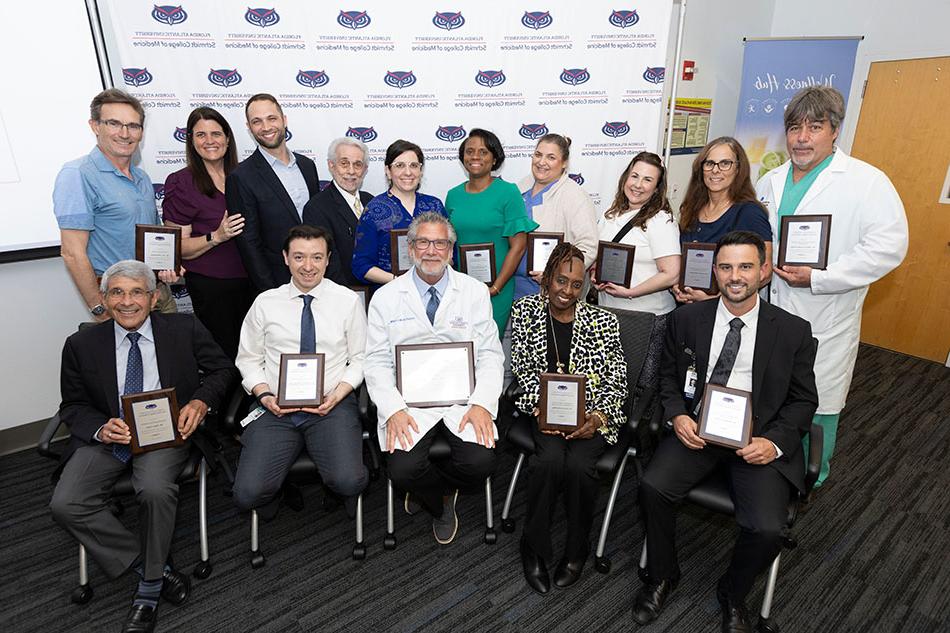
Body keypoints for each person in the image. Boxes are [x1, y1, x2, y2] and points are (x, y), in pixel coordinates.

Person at [632, 231, 818, 633]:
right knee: (652, 487)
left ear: (764, 272)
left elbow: (804, 401)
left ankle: (733, 594)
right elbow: (667, 377)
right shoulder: (686, 319)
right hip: (697, 430)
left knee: (768, 528)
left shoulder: (793, 331)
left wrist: (773, 442)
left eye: (746, 266)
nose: (736, 276)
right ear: (714, 272)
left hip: (756, 440)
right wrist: (678, 416)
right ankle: (663, 574)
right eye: (727, 267)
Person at [49, 260, 236, 633]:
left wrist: (200, 403)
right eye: (117, 292)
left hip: (165, 433)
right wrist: (101, 428)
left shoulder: (184, 329)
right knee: (65, 503)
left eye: (137, 292)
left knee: (152, 488)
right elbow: (71, 405)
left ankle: (148, 588)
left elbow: (222, 370)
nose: (127, 302)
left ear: (153, 298)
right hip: (109, 435)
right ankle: (150, 566)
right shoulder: (82, 343)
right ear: (104, 298)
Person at [756, 85, 908, 486]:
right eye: (794, 128)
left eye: (815, 127)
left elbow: (888, 248)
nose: (802, 138)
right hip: (772, 309)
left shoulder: (866, 182)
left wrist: (821, 278)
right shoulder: (770, 180)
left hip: (825, 315)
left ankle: (808, 479)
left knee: (817, 401)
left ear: (835, 130)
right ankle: (766, 467)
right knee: (768, 393)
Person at [364, 212, 504, 544]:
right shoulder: (386, 296)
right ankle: (441, 501)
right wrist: (394, 409)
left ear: (451, 250)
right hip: (409, 401)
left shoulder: (473, 292)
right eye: (423, 242)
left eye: (440, 243)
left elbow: (490, 355)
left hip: (462, 398)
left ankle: (433, 493)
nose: (431, 250)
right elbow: (376, 362)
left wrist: (483, 404)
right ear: (410, 248)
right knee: (402, 470)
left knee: (481, 462)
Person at [510, 242, 627, 594]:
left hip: (589, 415)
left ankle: (576, 549)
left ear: (585, 285)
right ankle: (533, 546)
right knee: (546, 462)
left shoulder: (603, 320)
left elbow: (616, 378)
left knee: (578, 467)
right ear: (547, 279)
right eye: (561, 280)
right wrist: (541, 408)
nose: (567, 291)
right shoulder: (525, 311)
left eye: (576, 284)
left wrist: (596, 416)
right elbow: (522, 369)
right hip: (542, 411)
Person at [232, 225, 369, 520]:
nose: (308, 267)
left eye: (317, 257)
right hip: (274, 407)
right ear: (285, 258)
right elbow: (248, 359)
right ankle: (276, 490)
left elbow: (360, 358)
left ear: (328, 259)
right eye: (299, 257)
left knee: (349, 480)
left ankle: (334, 489)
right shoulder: (265, 303)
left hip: (331, 404)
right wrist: (264, 395)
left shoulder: (347, 301)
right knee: (246, 495)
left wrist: (338, 394)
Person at [54, 89, 178, 320]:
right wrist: (99, 310)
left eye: (133, 126)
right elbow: (72, 252)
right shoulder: (78, 174)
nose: (124, 133)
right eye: (114, 123)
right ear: (95, 126)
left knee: (173, 355)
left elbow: (153, 239)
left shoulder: (142, 178)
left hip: (158, 295)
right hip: (119, 302)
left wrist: (168, 267)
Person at [162, 106, 253, 359]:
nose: (210, 141)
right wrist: (217, 236)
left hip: (255, 283)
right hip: (214, 290)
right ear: (191, 140)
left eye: (216, 133)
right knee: (227, 358)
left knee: (256, 356)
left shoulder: (245, 176)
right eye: (201, 135)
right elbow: (177, 247)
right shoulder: (181, 182)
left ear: (227, 138)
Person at [445, 128, 538, 336]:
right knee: (462, 345)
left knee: (487, 346)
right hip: (461, 289)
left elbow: (519, 246)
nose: (475, 156)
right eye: (469, 151)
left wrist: (495, 288)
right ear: (463, 158)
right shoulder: (453, 195)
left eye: (483, 151)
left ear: (494, 159)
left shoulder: (508, 192)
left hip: (497, 289)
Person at [226, 93, 321, 292]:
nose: (266, 127)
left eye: (272, 118)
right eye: (257, 121)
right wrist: (270, 292)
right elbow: (248, 243)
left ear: (284, 120)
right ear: (249, 127)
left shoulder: (307, 166)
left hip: (316, 277)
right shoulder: (241, 177)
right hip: (276, 283)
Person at [674, 137, 772, 304]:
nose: (716, 170)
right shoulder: (691, 210)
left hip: (726, 313)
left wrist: (716, 299)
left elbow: (765, 271)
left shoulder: (749, 212)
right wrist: (676, 285)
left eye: (725, 163)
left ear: (738, 169)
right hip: (685, 311)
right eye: (709, 163)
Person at [514, 133, 599, 301]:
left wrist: (557, 273)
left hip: (550, 295)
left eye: (551, 157)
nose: (541, 162)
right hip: (512, 289)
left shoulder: (575, 196)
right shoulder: (519, 188)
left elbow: (589, 245)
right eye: (538, 155)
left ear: (564, 163)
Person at [351, 140, 447, 287]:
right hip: (391, 294)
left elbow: (450, 254)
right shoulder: (374, 210)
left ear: (420, 171)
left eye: (414, 166)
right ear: (388, 171)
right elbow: (361, 266)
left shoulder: (434, 206)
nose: (408, 172)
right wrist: (399, 282)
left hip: (434, 290)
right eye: (399, 165)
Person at [302, 137, 374, 287]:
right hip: (345, 293)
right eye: (344, 163)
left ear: (365, 169)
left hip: (378, 292)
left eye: (358, 164)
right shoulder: (316, 208)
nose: (351, 171)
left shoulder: (372, 202)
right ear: (331, 165)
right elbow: (327, 263)